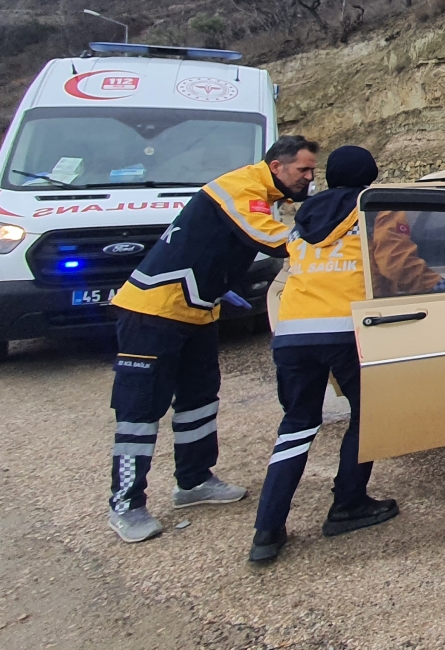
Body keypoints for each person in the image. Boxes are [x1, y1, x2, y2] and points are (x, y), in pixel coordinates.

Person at [105, 135, 318, 544]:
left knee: (199, 400)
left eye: (312, 170)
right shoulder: (242, 187)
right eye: (303, 169)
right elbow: (271, 239)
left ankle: (194, 481)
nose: (309, 177)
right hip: (153, 312)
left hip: (197, 310)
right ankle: (125, 505)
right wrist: (329, 237)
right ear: (277, 166)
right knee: (139, 409)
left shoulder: (263, 191)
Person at [248, 146, 400, 566]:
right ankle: (348, 504)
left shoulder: (303, 218)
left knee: (297, 426)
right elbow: (398, 265)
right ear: (370, 174)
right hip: (346, 330)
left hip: (294, 333)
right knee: (366, 416)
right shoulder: (373, 210)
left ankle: (267, 530)